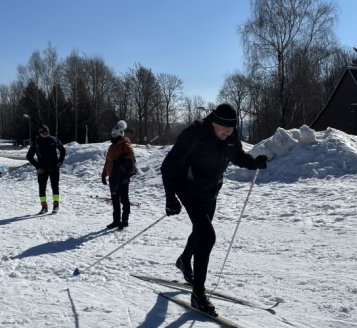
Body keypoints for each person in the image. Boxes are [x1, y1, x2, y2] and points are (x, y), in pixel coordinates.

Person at [160, 104, 268, 315]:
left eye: (231, 130)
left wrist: (254, 162)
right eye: (224, 130)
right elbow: (169, 165)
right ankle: (198, 294)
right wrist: (170, 197)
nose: (227, 134)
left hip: (210, 190)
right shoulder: (195, 133)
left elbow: (237, 155)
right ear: (213, 122)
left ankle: (184, 260)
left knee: (200, 232)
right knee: (208, 236)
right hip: (188, 188)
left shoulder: (230, 135)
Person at [101, 120, 137, 230]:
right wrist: (104, 174)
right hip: (113, 176)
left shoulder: (125, 144)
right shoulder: (111, 147)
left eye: (115, 134)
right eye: (112, 134)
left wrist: (123, 163)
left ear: (120, 134)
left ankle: (125, 220)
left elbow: (132, 160)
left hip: (123, 177)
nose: (113, 136)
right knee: (115, 199)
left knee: (124, 199)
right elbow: (108, 161)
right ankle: (116, 220)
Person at [25, 124, 66, 214]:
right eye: (43, 133)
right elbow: (29, 156)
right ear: (40, 134)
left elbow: (63, 150)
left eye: (47, 132)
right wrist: (37, 167)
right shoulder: (36, 142)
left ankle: (56, 205)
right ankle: (44, 207)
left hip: (54, 168)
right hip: (42, 170)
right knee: (42, 188)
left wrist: (60, 161)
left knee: (55, 187)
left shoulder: (54, 139)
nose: (45, 135)